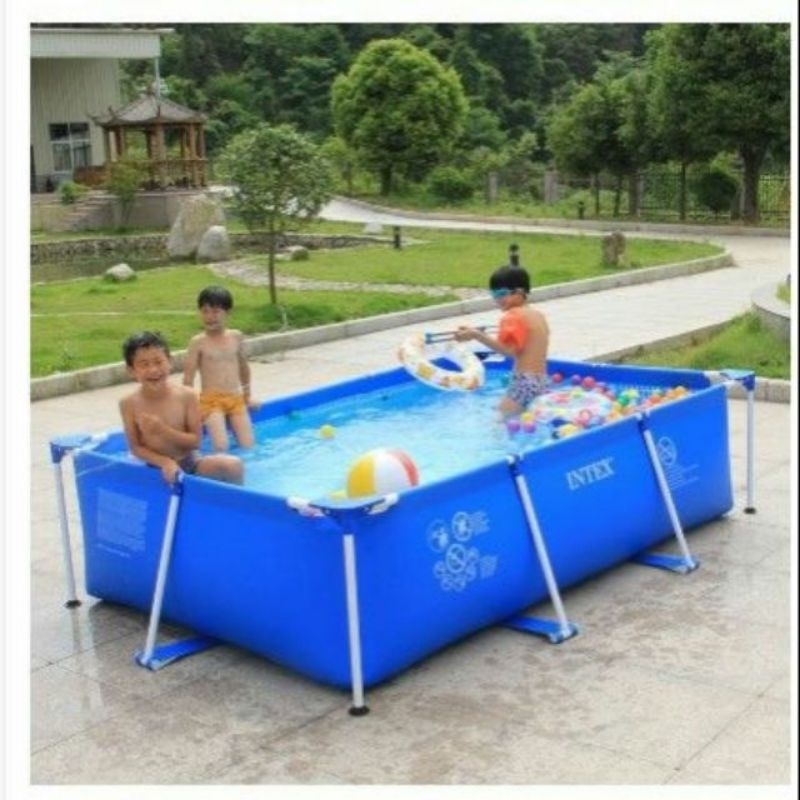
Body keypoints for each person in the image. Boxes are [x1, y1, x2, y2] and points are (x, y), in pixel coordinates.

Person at [119, 330, 244, 485]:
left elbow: (195, 442)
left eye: (158, 362)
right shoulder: (128, 403)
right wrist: (165, 462)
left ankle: (234, 500)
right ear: (131, 371)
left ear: (169, 362)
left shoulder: (187, 396)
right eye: (144, 365)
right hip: (154, 467)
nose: (153, 370)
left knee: (233, 466)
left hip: (189, 462)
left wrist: (162, 431)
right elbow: (136, 447)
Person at [454, 264, 549, 417]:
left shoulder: (512, 315)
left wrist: (477, 335)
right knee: (526, 419)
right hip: (541, 380)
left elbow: (509, 351)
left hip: (523, 381)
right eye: (494, 294)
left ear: (520, 291)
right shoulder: (537, 315)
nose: (498, 299)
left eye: (502, 293)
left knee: (501, 420)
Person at [182, 285, 259, 451]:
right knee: (221, 447)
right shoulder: (198, 342)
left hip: (235, 398)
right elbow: (188, 380)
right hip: (211, 402)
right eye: (205, 311)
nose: (210, 317)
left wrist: (247, 396)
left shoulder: (236, 337)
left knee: (249, 446)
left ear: (228, 312)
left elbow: (243, 368)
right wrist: (191, 410)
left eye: (216, 312)